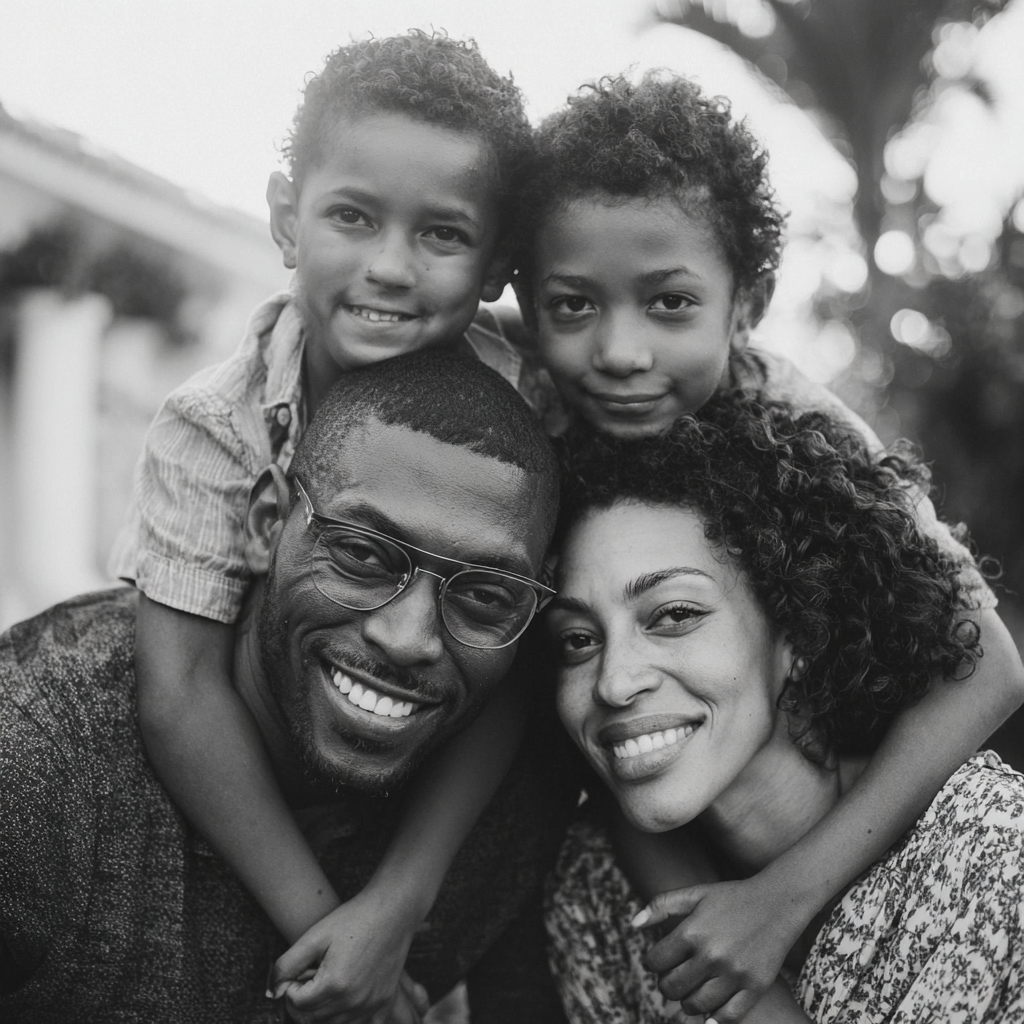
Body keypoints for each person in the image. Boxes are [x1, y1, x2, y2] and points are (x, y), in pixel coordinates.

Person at [511, 70, 1024, 1019]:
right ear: (529, 303)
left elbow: (990, 667)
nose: (622, 352)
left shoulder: (793, 419)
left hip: (827, 829)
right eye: (574, 306)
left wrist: (781, 901)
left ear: (746, 303)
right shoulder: (532, 394)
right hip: (652, 807)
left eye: (670, 304)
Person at [107, 31, 551, 1021]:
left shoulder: (525, 423)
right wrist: (325, 925)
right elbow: (180, 693)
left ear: (494, 265)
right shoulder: (214, 427)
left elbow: (515, 656)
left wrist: (399, 903)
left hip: (429, 805)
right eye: (353, 215)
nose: (389, 268)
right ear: (286, 218)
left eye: (440, 234)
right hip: (258, 802)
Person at [1, 351, 577, 1023]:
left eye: (485, 594)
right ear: (270, 521)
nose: (409, 637)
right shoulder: (36, 763)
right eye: (362, 554)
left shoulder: (516, 801)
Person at [544, 393, 1024, 1023]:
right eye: (579, 640)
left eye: (676, 615)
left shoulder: (991, 854)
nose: (613, 682)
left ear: (798, 630)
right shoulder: (593, 890)